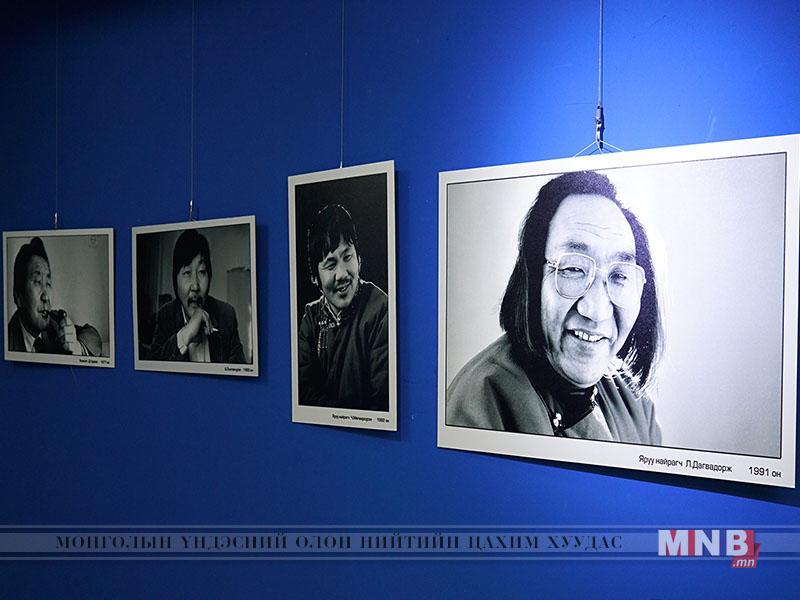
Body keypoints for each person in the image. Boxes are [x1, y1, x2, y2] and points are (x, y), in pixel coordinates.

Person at [447, 171, 663, 444]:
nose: (597, 311)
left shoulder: (634, 403)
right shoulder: (480, 402)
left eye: (619, 276)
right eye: (573, 269)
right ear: (533, 279)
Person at [298, 204, 389, 411]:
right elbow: (303, 392)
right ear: (315, 278)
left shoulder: (381, 311)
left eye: (347, 257)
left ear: (359, 259)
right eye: (330, 265)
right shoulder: (311, 318)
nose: (342, 274)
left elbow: (382, 400)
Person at [149, 228, 246, 363]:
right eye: (187, 272)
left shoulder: (226, 315)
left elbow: (239, 371)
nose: (195, 286)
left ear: (210, 276)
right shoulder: (165, 316)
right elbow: (153, 368)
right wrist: (185, 335)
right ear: (175, 280)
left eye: (202, 272)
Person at [7, 236, 102, 356]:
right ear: (18, 296)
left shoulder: (55, 324)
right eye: (37, 282)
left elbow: (93, 336)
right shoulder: (7, 341)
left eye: (48, 283)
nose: (46, 297)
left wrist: (77, 347)